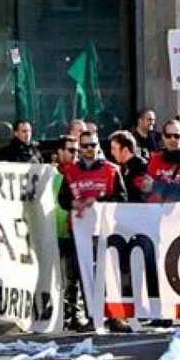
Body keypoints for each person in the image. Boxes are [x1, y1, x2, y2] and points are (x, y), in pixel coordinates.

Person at [58, 130, 129, 332]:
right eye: (86, 145)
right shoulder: (70, 171)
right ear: (80, 148)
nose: (89, 149)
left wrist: (97, 202)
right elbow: (62, 200)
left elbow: (122, 199)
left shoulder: (111, 170)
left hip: (106, 230)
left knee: (110, 274)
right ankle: (93, 316)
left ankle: (116, 316)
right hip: (80, 231)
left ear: (99, 146)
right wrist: (74, 202)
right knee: (86, 275)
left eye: (93, 145)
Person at [50, 135, 88, 330]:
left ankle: (74, 314)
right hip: (51, 232)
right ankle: (57, 315)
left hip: (74, 231)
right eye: (71, 150)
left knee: (73, 277)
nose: (75, 154)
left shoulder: (81, 173)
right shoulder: (46, 175)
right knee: (53, 277)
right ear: (59, 153)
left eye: (77, 151)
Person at [144, 119, 180, 203]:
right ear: (163, 137)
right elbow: (146, 188)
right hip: (155, 211)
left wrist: (155, 185)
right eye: (168, 135)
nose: (172, 139)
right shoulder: (155, 159)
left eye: (177, 136)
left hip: (178, 212)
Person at [109, 131, 150, 203]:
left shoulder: (141, 167)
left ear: (125, 150)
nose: (111, 153)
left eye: (114, 148)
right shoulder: (122, 168)